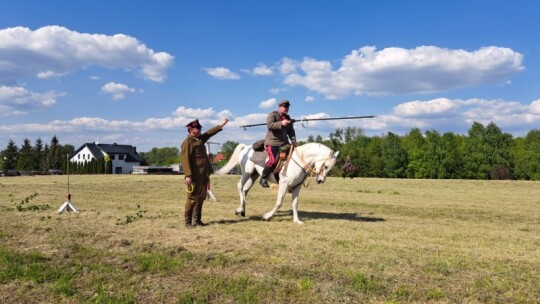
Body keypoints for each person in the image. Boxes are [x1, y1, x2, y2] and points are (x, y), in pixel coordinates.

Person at [180, 118, 229, 228]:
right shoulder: (187, 142)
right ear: (191, 130)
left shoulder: (199, 139)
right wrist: (188, 176)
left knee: (201, 197)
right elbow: (185, 160)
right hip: (194, 175)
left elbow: (209, 133)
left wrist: (222, 124)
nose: (200, 129)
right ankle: (188, 223)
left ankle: (197, 221)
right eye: (198, 128)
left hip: (204, 174)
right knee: (192, 198)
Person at [260, 99, 296, 187]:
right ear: (279, 107)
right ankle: (263, 179)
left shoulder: (288, 118)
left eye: (287, 107)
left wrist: (293, 139)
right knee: (272, 161)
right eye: (284, 107)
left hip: (284, 143)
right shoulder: (272, 115)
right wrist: (281, 123)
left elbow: (291, 131)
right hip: (273, 142)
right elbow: (270, 125)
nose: (286, 109)